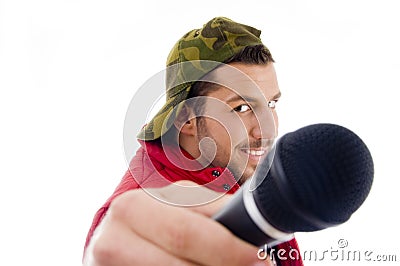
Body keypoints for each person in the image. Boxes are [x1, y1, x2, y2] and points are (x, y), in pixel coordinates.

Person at [83, 17, 304, 266]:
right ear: (186, 118)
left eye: (271, 104)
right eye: (241, 107)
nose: (266, 131)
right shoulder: (147, 216)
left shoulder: (241, 174)